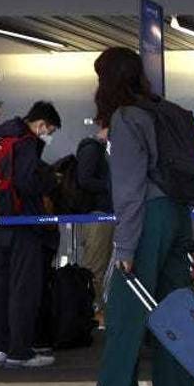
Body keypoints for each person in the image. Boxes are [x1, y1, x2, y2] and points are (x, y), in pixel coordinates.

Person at [80, 46, 194, 386]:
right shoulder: (167, 111)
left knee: (124, 316)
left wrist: (124, 248)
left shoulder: (126, 118)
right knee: (175, 314)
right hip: (178, 217)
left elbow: (130, 189)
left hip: (146, 220)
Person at [0, 101, 62, 369]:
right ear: (41, 124)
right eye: (49, 130)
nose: (47, 135)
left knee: (1, 285)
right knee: (23, 287)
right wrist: (51, 180)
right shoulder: (25, 141)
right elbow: (27, 182)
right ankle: (21, 351)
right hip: (23, 222)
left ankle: (2, 347)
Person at [76, 125, 113, 320]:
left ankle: (95, 309)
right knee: (95, 266)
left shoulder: (99, 149)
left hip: (102, 214)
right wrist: (111, 186)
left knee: (99, 265)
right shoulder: (92, 149)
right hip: (97, 215)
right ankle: (92, 311)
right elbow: (85, 180)